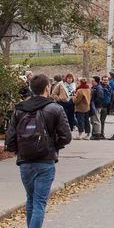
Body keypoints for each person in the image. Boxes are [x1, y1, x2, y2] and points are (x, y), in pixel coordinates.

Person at [5, 74, 71, 228]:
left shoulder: (19, 109)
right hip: (45, 160)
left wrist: (20, 150)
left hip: (25, 161)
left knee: (30, 199)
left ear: (30, 88)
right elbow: (66, 136)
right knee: (39, 203)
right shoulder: (55, 108)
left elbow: (10, 139)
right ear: (47, 88)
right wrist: (53, 146)